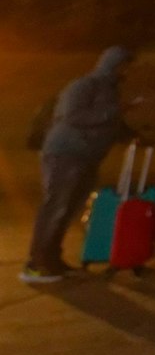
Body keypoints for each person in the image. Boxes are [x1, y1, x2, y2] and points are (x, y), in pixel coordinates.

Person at [21, 46, 138, 283]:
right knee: (56, 207)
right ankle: (36, 264)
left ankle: (53, 259)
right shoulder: (85, 85)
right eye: (125, 65)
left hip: (86, 156)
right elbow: (72, 116)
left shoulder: (109, 90)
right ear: (113, 64)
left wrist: (132, 136)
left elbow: (111, 121)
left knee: (68, 209)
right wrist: (117, 110)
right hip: (66, 153)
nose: (127, 70)